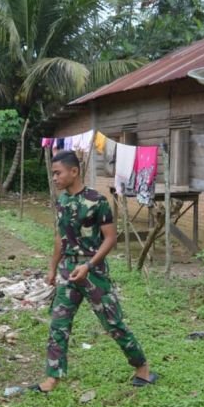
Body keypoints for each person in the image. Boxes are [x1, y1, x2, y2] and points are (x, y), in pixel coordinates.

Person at [33, 150, 156, 393]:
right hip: (68, 271)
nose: (54, 178)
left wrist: (88, 266)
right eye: (53, 173)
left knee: (113, 322)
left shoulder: (97, 201)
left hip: (93, 271)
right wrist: (52, 268)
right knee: (59, 324)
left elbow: (110, 239)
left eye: (58, 173)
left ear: (74, 171)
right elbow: (60, 237)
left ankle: (141, 367)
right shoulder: (62, 202)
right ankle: (52, 376)